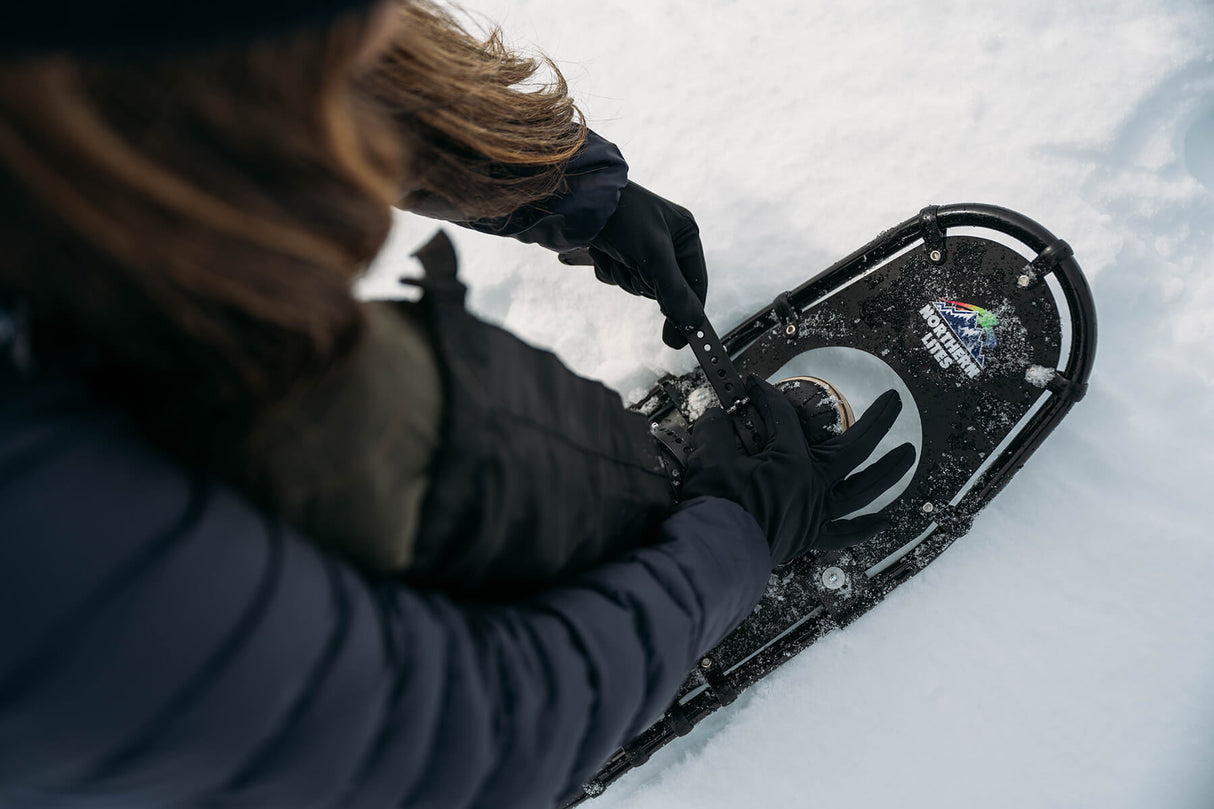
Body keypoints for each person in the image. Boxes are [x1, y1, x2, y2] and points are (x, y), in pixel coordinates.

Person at [0, 1, 914, 807]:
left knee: (404, 425)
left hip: (152, 372)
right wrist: (735, 540)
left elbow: (242, 57)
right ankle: (636, 593)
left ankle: (625, 547)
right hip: (132, 692)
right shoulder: (49, 558)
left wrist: (556, 181)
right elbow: (465, 748)